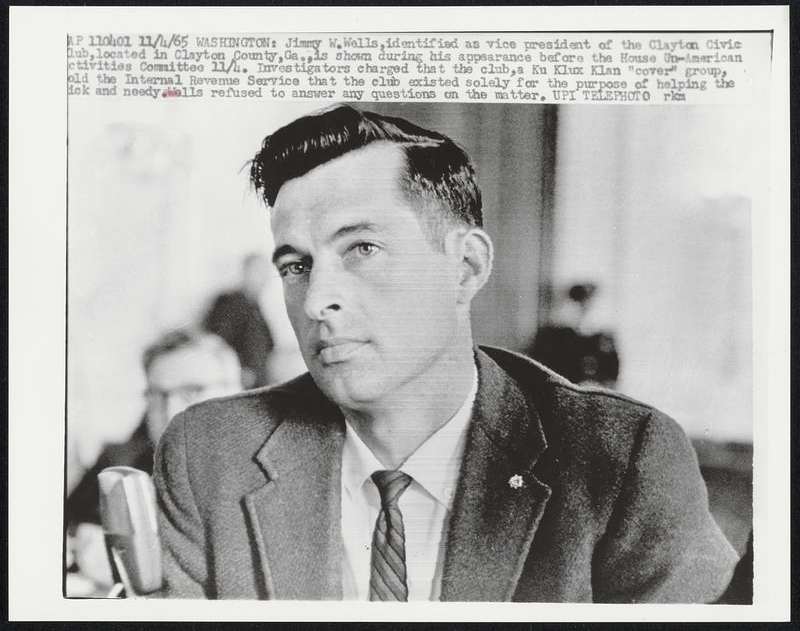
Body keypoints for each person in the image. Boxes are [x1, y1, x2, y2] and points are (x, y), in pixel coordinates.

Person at [153, 105, 738, 602]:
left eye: (362, 248)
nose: (316, 301)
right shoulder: (211, 455)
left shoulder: (617, 461)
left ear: (466, 267)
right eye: (296, 266)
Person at [66, 328, 242, 596]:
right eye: (157, 396)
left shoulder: (269, 475)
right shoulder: (123, 464)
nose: (170, 411)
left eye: (191, 391)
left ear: (237, 392)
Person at [525, 282, 620, 388]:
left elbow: (611, 376)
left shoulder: (603, 338)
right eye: (580, 303)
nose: (584, 309)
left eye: (588, 304)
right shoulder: (552, 336)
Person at [204, 253, 275, 388]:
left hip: (259, 381)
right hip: (236, 381)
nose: (262, 278)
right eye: (257, 271)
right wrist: (238, 370)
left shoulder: (256, 307)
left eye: (265, 272)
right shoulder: (230, 303)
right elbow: (216, 341)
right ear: (245, 272)